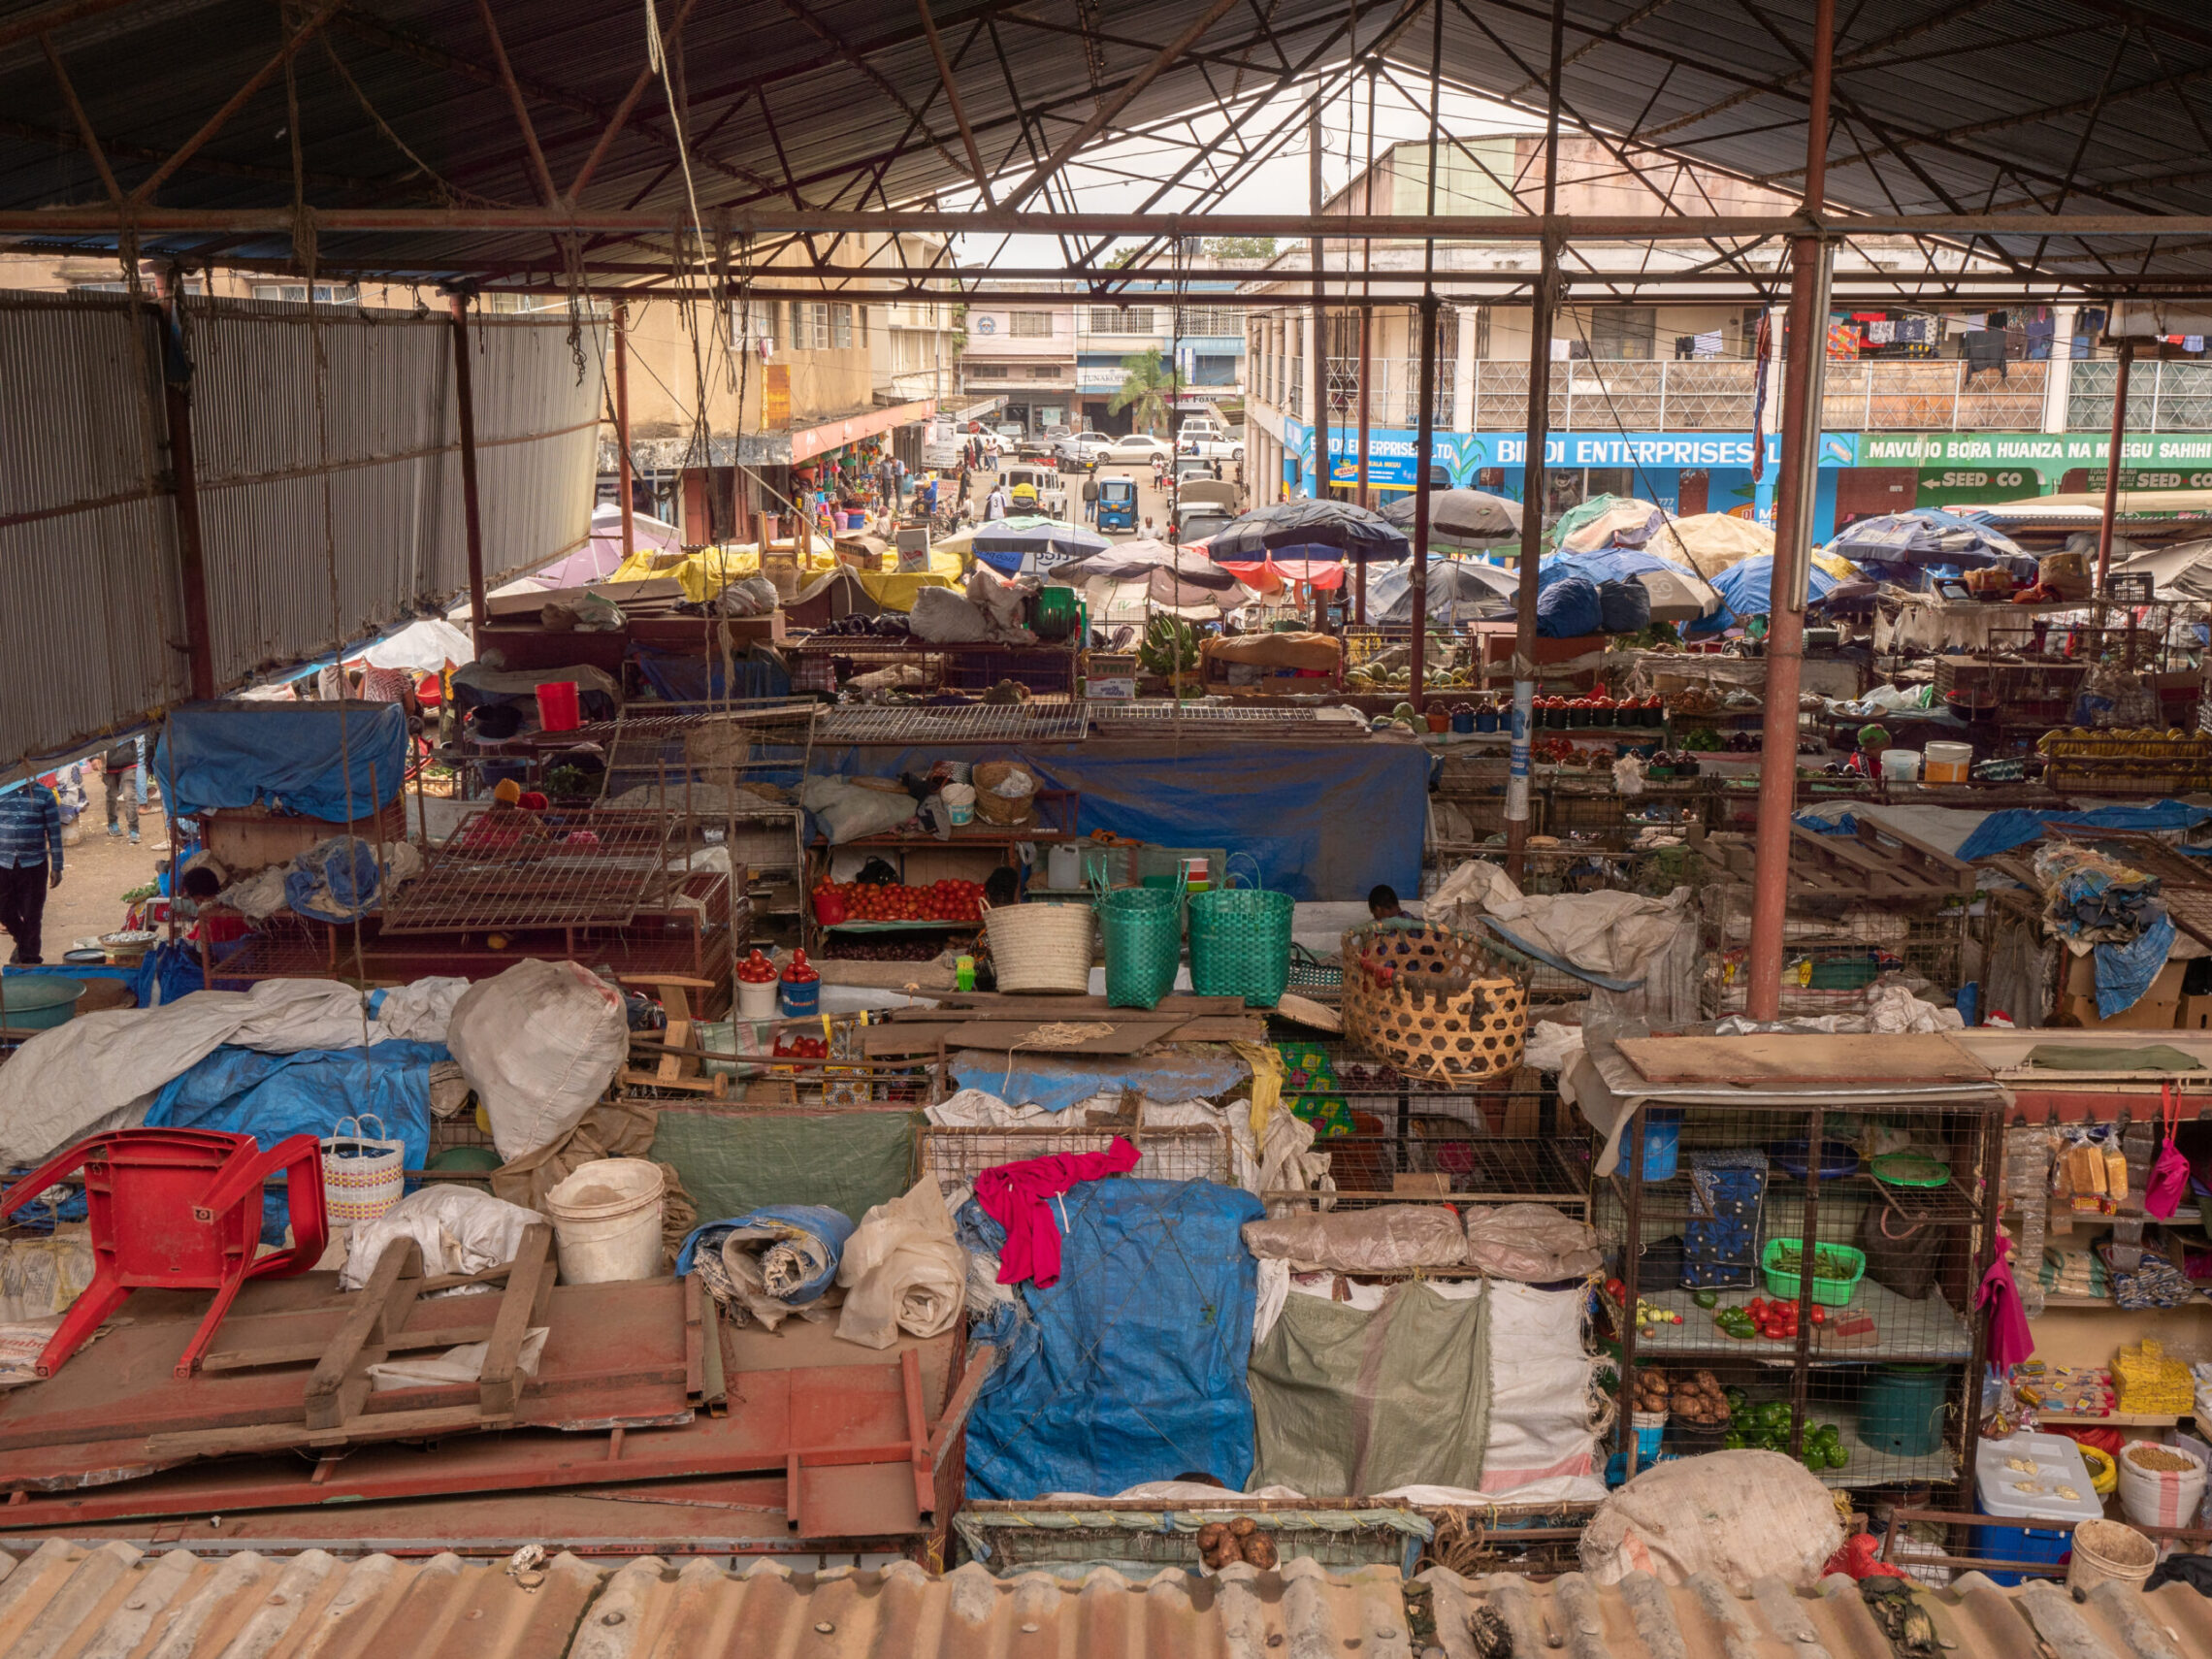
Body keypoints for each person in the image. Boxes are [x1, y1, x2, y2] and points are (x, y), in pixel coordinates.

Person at [0, 777, 63, 965]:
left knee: (32, 914)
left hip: (34, 865)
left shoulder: (45, 795)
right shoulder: (2, 792)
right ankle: (24, 944)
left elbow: (54, 832)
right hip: (3, 863)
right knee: (3, 910)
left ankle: (30, 961)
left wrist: (57, 866)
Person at [103, 733, 145, 842]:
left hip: (129, 762)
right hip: (108, 764)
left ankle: (134, 829)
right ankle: (112, 823)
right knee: (111, 796)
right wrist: (94, 758)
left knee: (130, 796)